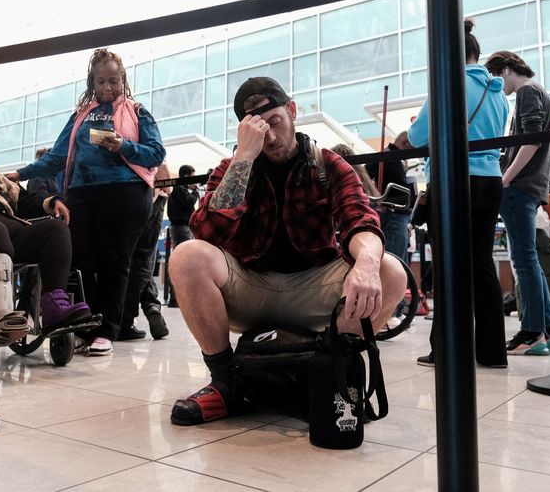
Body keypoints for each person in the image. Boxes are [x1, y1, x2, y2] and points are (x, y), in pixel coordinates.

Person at [167, 76, 406, 426]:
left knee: (391, 271)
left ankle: (332, 374)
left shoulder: (328, 164)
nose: (271, 138)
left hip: (315, 289)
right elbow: (206, 231)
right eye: (259, 130)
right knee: (186, 256)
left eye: (275, 122)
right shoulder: (233, 168)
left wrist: (367, 263)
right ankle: (225, 382)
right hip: (251, 287)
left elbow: (360, 220)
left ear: (292, 111)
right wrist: (244, 157)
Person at [7, 48, 165, 356]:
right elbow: (56, 157)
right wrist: (20, 173)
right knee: (80, 260)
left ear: (124, 80)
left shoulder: (138, 111)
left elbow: (156, 153)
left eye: (114, 81)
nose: (107, 88)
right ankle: (85, 325)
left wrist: (124, 146)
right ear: (91, 81)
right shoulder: (80, 116)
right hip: (81, 193)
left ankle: (106, 331)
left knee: (116, 261)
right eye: (101, 81)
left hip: (127, 192)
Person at [409, 19, 510, 367]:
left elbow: (418, 137)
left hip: (455, 180)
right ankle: (493, 351)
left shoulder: (447, 85)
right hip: (490, 181)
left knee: (449, 265)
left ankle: (448, 349)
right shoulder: (498, 94)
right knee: (481, 264)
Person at [0, 120, 93, 342]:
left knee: (55, 228)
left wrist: (51, 202)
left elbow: (25, 198)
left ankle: (53, 307)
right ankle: (1, 317)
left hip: (11, 237)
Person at [485, 50, 550, 356]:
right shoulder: (538, 91)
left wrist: (505, 177)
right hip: (532, 186)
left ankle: (531, 334)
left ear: (506, 69)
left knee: (523, 260)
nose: (496, 86)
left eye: (495, 78)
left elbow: (532, 139)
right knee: (529, 260)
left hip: (520, 186)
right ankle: (549, 331)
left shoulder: (527, 91)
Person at [120, 162, 172, 340]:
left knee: (130, 262)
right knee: (143, 263)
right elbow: (169, 187)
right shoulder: (153, 151)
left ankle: (133, 316)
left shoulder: (123, 151)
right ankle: (147, 309)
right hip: (153, 203)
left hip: (127, 205)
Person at [366, 132, 413, 263]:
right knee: (394, 261)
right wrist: (377, 200)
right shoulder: (387, 157)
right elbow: (363, 178)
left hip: (398, 214)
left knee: (398, 261)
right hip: (393, 214)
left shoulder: (393, 158)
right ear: (405, 143)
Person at [165, 164, 200, 307]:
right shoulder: (179, 188)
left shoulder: (180, 188)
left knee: (182, 262)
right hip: (181, 227)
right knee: (181, 262)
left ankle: (177, 298)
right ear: (186, 177)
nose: (194, 180)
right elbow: (188, 202)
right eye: (192, 177)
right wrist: (195, 192)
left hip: (183, 228)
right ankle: (176, 299)